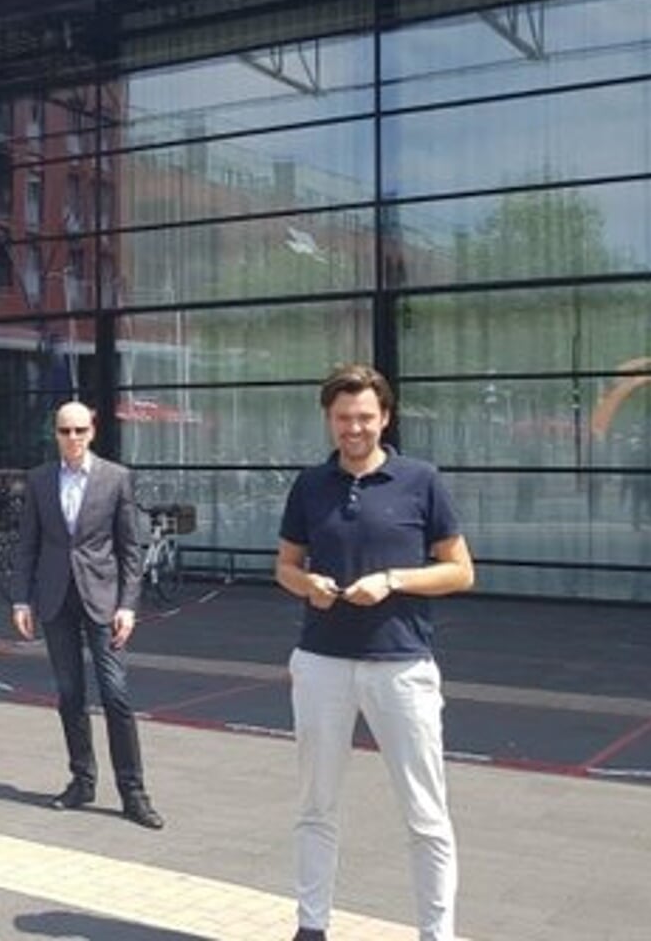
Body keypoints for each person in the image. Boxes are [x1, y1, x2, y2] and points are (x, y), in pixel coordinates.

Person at [275, 365, 475, 941]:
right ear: (329, 420)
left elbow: (460, 571)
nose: (353, 428)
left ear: (384, 417)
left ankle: (437, 933)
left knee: (425, 814)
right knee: (316, 806)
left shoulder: (422, 480)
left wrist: (392, 580)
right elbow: (285, 567)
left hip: (402, 665)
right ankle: (311, 928)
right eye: (343, 418)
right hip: (321, 663)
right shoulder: (310, 485)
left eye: (364, 416)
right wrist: (307, 584)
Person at [8, 401, 164, 830]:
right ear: (55, 434)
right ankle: (82, 780)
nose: (72, 438)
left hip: (103, 600)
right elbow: (27, 546)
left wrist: (128, 606)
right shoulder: (40, 480)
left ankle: (133, 792)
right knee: (69, 694)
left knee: (116, 694)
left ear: (92, 430)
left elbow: (130, 549)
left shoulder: (116, 478)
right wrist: (21, 601)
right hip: (56, 599)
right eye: (64, 431)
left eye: (79, 430)